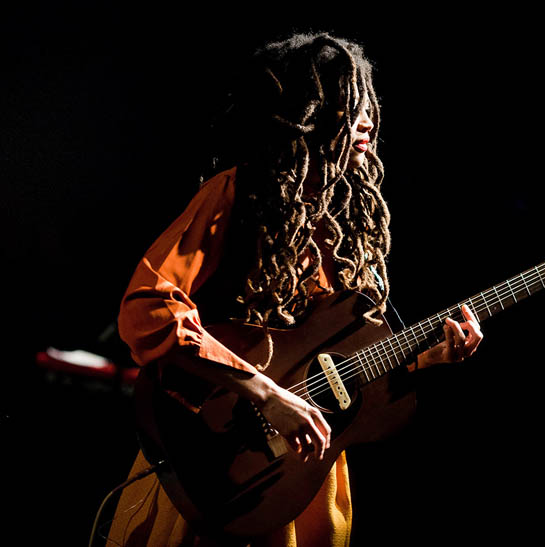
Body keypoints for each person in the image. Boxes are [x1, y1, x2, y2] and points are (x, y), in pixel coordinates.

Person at [105, 32, 483, 546]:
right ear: (307, 113)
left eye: (369, 106)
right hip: (216, 464)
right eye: (351, 106)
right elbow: (148, 309)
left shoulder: (348, 226)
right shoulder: (237, 195)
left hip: (300, 477)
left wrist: (426, 358)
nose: (368, 121)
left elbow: (338, 363)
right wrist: (265, 393)